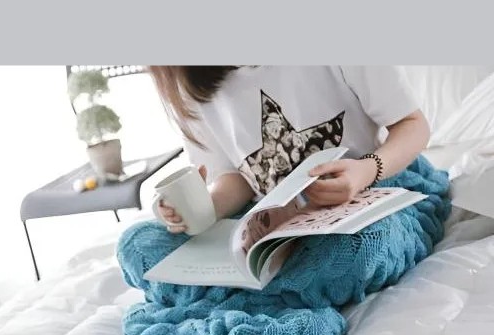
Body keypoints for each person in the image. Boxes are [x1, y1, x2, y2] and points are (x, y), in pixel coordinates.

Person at [147, 65, 430, 234]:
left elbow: (413, 125)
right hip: (277, 223)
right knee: (139, 244)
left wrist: (366, 170)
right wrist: (201, 211)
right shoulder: (188, 82)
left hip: (367, 190)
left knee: (355, 248)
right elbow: (238, 178)